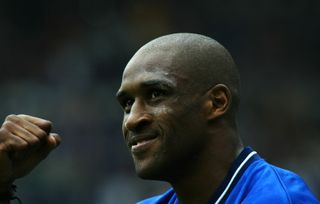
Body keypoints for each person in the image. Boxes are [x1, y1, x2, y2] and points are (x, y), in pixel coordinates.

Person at [0, 33, 318, 204]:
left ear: (216, 103)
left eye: (156, 95)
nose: (132, 120)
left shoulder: (275, 199)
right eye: (126, 104)